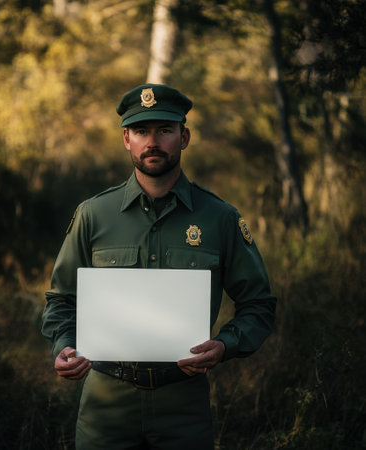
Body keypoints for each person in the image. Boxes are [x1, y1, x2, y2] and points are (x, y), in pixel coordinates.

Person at [42, 83, 276, 449]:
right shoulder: (93, 215)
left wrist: (225, 345)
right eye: (141, 131)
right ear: (126, 139)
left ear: (184, 137)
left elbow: (259, 305)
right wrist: (65, 345)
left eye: (164, 130)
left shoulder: (220, 218)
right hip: (106, 402)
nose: (152, 141)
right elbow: (60, 300)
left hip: (183, 402)